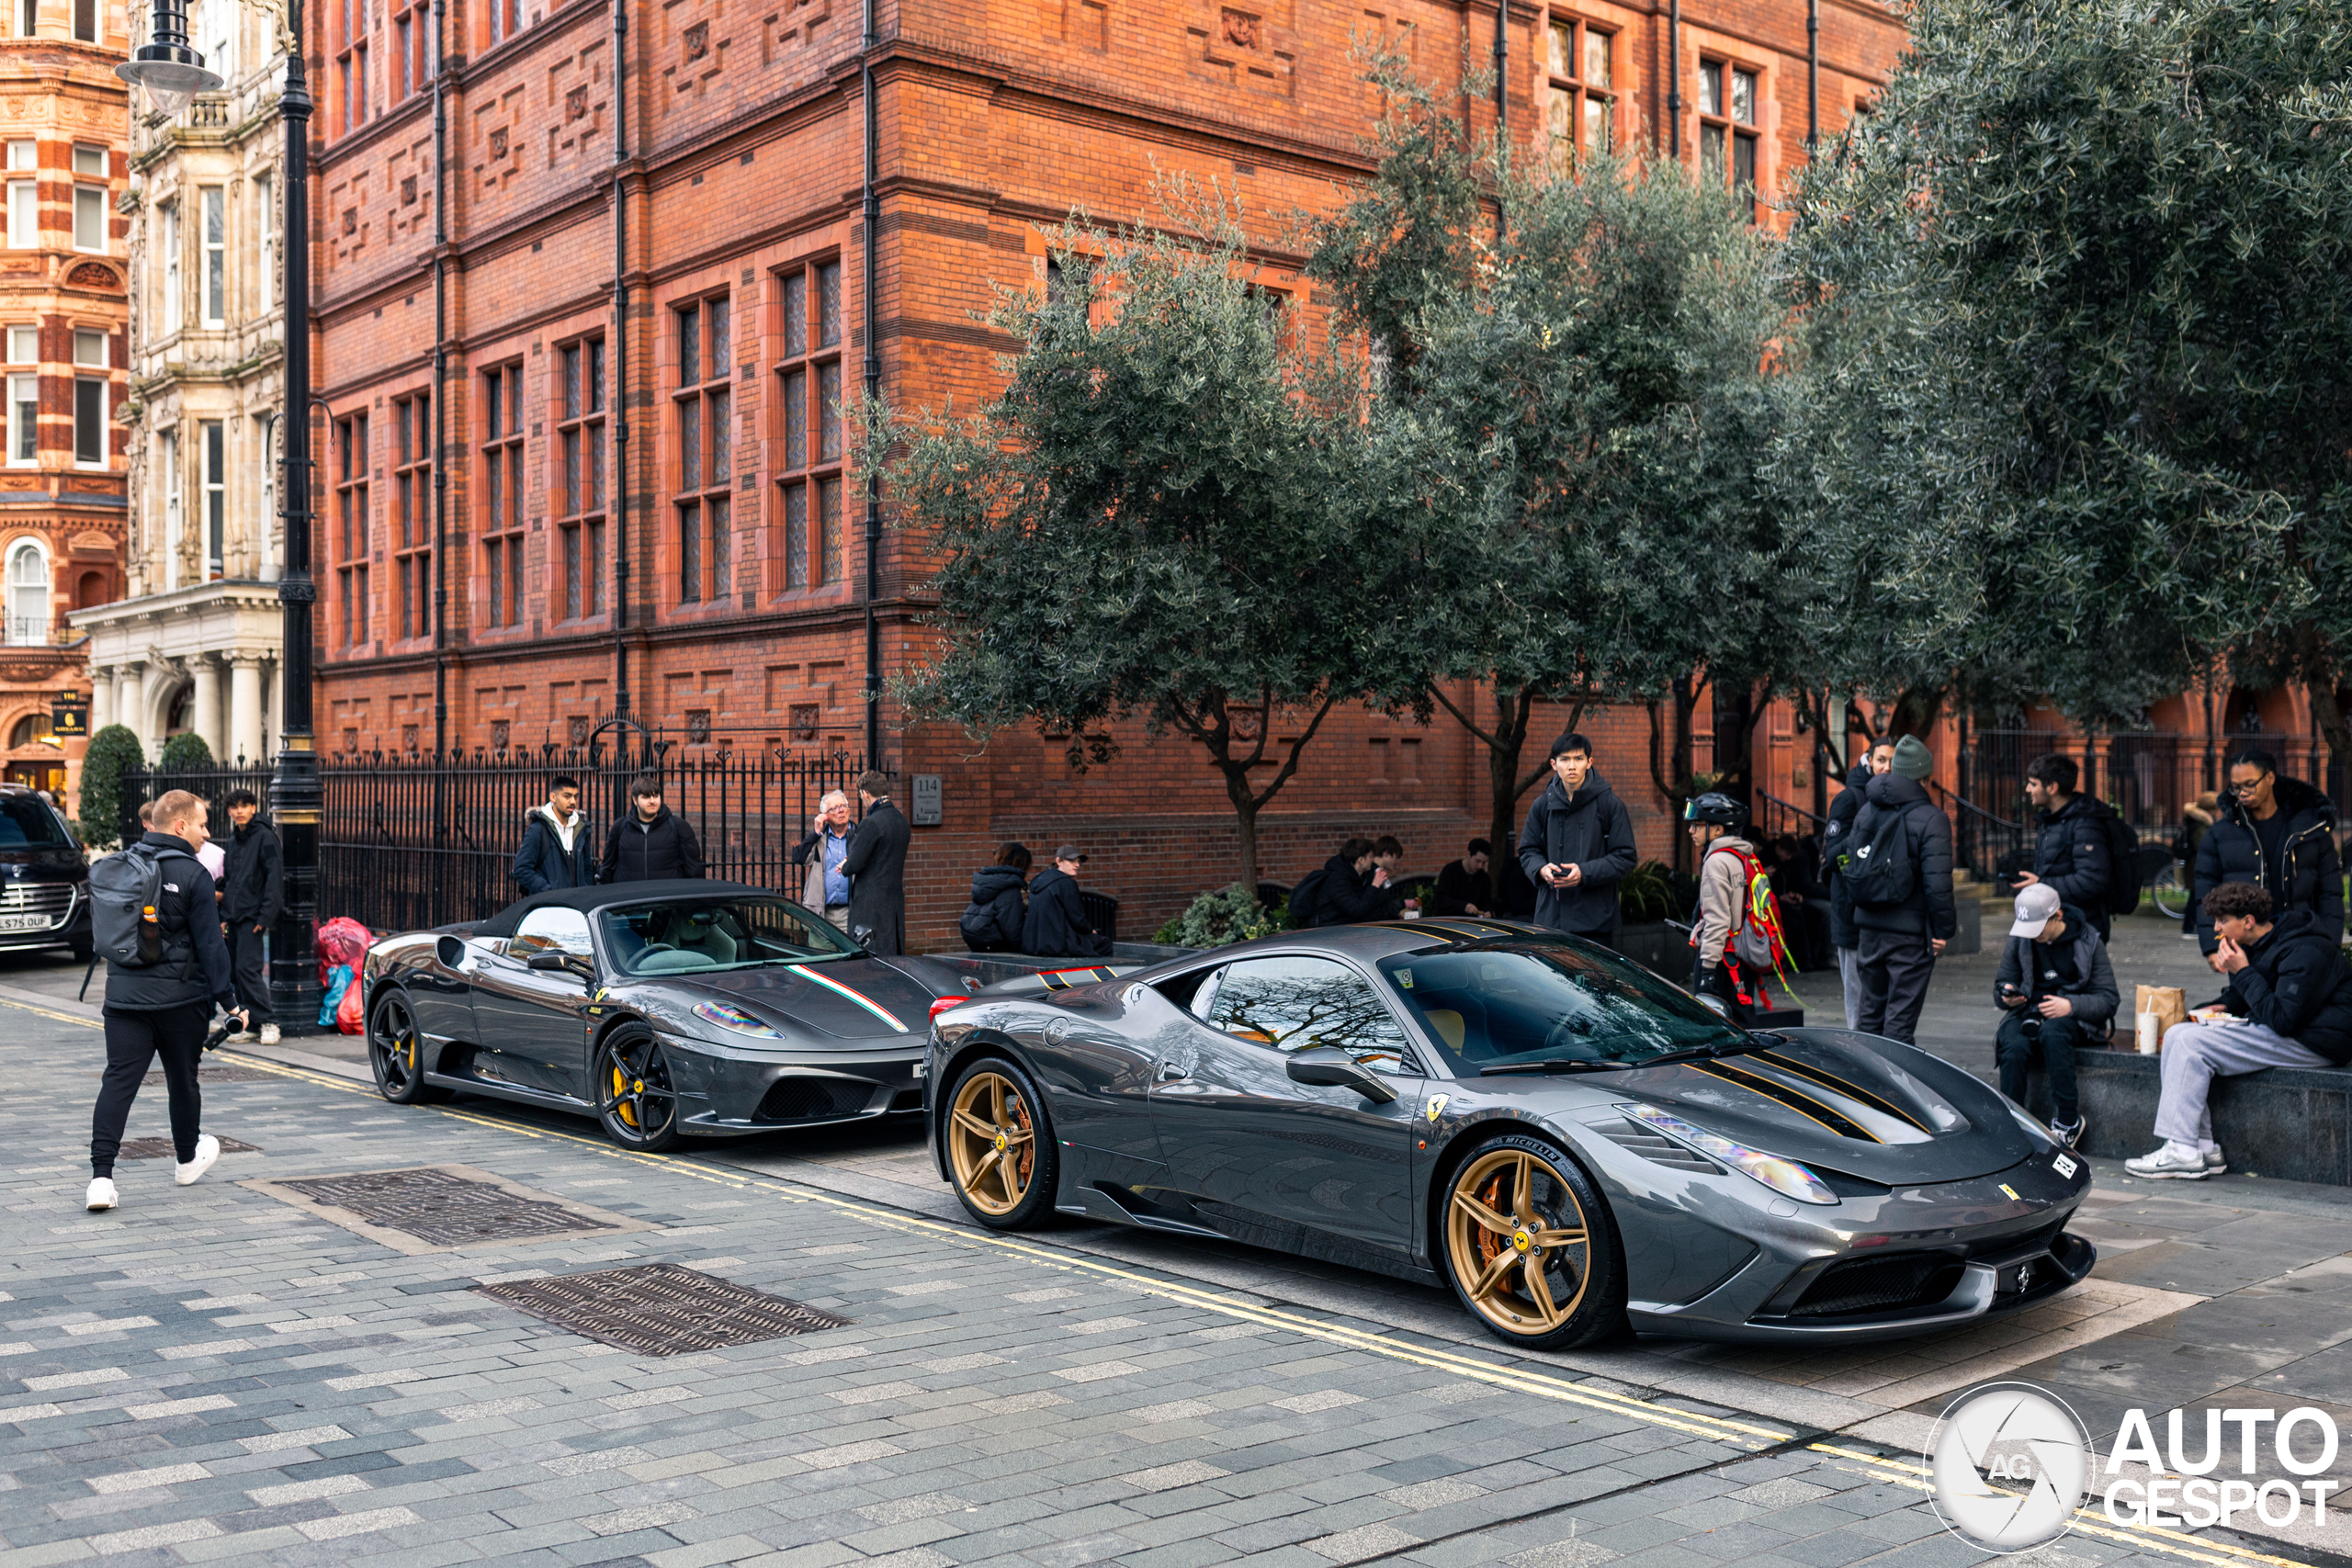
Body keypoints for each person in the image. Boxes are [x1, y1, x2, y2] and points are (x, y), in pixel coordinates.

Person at [85, 790, 245, 1213]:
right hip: (181, 1001)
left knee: (118, 1082)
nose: (207, 834)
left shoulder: (122, 865)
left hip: (122, 999)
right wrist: (231, 1003)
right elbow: (213, 948)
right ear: (180, 826)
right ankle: (187, 1160)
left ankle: (101, 1180)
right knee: (182, 1079)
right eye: (202, 824)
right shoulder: (194, 875)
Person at [2127, 883, 2352, 1179]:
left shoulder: (2306, 949)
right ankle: (2202, 1147)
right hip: (2291, 1033)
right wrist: (2214, 1007)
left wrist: (2242, 970)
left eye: (2223, 921)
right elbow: (2248, 996)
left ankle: (2182, 1150)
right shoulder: (2261, 943)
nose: (2217, 929)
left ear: (2247, 921)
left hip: (2317, 1042)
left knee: (2190, 1045)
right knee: (2179, 1033)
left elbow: (2283, 1018)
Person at [1843, 735, 1956, 1045]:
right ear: (1924, 775)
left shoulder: (1867, 810)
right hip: (1910, 934)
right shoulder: (1932, 818)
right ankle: (1891, 1092)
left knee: (1869, 1014)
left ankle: (1862, 1087)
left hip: (1869, 927)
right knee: (1900, 1023)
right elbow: (1938, 884)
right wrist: (1944, 929)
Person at [1994, 884, 2116, 1152]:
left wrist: (2070, 1005)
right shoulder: (2021, 938)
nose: (2033, 935)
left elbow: (2108, 1000)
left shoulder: (2089, 940)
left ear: (2057, 916)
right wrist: (2007, 996)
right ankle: (2011, 1122)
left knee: (2054, 1033)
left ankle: (2068, 1121)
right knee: (2012, 1043)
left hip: (2073, 1017)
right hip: (2028, 1013)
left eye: (2038, 927)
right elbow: (2003, 983)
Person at [2192, 747, 2343, 958]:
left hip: (2301, 941)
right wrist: (2211, 946)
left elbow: (2330, 892)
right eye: (2235, 787)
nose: (2242, 792)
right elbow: (2205, 892)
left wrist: (2330, 943)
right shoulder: (2220, 834)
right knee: (2249, 992)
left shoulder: (2310, 829)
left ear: (2270, 777)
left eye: (2249, 784)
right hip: (2246, 947)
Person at [1516, 732, 1637, 947]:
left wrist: (1584, 873)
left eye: (1578, 759)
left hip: (1596, 922)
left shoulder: (1609, 804)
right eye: (1565, 759)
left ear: (1589, 762)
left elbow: (1625, 858)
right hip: (1551, 921)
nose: (1572, 766)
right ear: (1554, 764)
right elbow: (1528, 850)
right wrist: (1541, 869)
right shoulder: (1542, 805)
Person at [1685, 793, 1781, 1023]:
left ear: (1718, 830)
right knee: (1742, 1021)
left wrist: (1707, 969)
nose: (1691, 831)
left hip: (1720, 961)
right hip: (1741, 959)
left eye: (1697, 825)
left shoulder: (1716, 862)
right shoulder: (1742, 855)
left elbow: (1717, 920)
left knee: (1715, 1027)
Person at [1826, 738, 1895, 1029]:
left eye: (1892, 761)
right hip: (1852, 911)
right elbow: (1832, 854)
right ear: (1868, 760)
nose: (1887, 768)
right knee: (1858, 1000)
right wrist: (1865, 844)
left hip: (1885, 912)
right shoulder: (1849, 798)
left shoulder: (1896, 798)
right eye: (1881, 760)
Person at [2012, 753, 2119, 941]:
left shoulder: (2086, 824)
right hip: (2057, 925)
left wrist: (2042, 884)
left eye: (2033, 784)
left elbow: (2092, 880)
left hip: (2082, 928)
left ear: (2052, 787)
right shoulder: (2049, 820)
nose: (2028, 789)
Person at [218, 788, 282, 1047]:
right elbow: (231, 881)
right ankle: (251, 1023)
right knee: (235, 971)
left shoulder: (265, 837)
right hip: (234, 916)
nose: (239, 811)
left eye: (245, 805)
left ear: (254, 808)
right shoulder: (234, 841)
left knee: (248, 970)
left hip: (253, 917)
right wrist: (224, 916)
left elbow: (274, 879)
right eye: (234, 807)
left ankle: (269, 1022)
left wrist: (266, 916)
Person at [841, 772, 910, 954]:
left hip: (870, 906)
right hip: (893, 903)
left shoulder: (871, 823)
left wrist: (844, 866)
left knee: (869, 960)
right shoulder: (901, 820)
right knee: (892, 957)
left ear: (865, 793)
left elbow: (854, 864)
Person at [598, 773, 705, 884]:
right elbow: (607, 867)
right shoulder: (620, 827)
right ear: (635, 800)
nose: (652, 801)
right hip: (629, 897)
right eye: (646, 797)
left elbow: (694, 868)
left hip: (666, 897)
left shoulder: (678, 826)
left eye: (656, 795)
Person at [1023, 844, 1112, 958]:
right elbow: (1077, 919)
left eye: (1079, 861)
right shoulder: (1066, 883)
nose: (1077, 865)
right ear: (1059, 861)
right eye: (1071, 860)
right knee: (1104, 944)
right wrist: (1090, 930)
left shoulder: (1040, 881)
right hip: (1057, 945)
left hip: (1032, 944)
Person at [511, 774, 595, 894]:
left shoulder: (582, 829)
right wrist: (547, 891)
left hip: (577, 904)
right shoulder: (538, 829)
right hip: (549, 906)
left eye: (575, 797)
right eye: (567, 796)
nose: (573, 801)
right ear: (553, 797)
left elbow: (587, 868)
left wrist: (585, 891)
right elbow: (521, 868)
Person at [1298, 837, 1404, 927]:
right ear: (1361, 860)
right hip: (1328, 930)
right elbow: (1356, 910)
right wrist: (1375, 886)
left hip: (1344, 929)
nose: (1373, 860)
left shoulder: (1359, 876)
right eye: (1371, 857)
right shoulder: (1337, 879)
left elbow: (1368, 907)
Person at [791, 790, 856, 934]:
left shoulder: (859, 835)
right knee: (822, 954)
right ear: (825, 816)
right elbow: (799, 858)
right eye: (834, 808)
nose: (841, 811)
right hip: (821, 914)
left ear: (849, 809)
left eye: (843, 806)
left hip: (850, 913)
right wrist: (815, 833)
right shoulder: (819, 839)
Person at [960, 843, 1032, 953]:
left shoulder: (989, 882)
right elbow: (1013, 932)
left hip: (979, 944)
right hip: (999, 948)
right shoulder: (1010, 889)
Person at [2178, 790, 2219, 938]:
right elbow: (2201, 844)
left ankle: (2191, 926)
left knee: (2196, 896)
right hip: (2196, 865)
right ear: (2209, 809)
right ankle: (2189, 927)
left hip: (2195, 864)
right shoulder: (2200, 823)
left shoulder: (2198, 820)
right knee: (2196, 896)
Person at [1430, 840, 1494, 918]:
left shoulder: (1484, 878)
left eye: (1484, 863)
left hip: (1474, 924)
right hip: (1449, 921)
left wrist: (1487, 912)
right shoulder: (1450, 871)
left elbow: (1487, 903)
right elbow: (1440, 900)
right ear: (1468, 854)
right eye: (1477, 861)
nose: (1480, 866)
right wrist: (1463, 907)